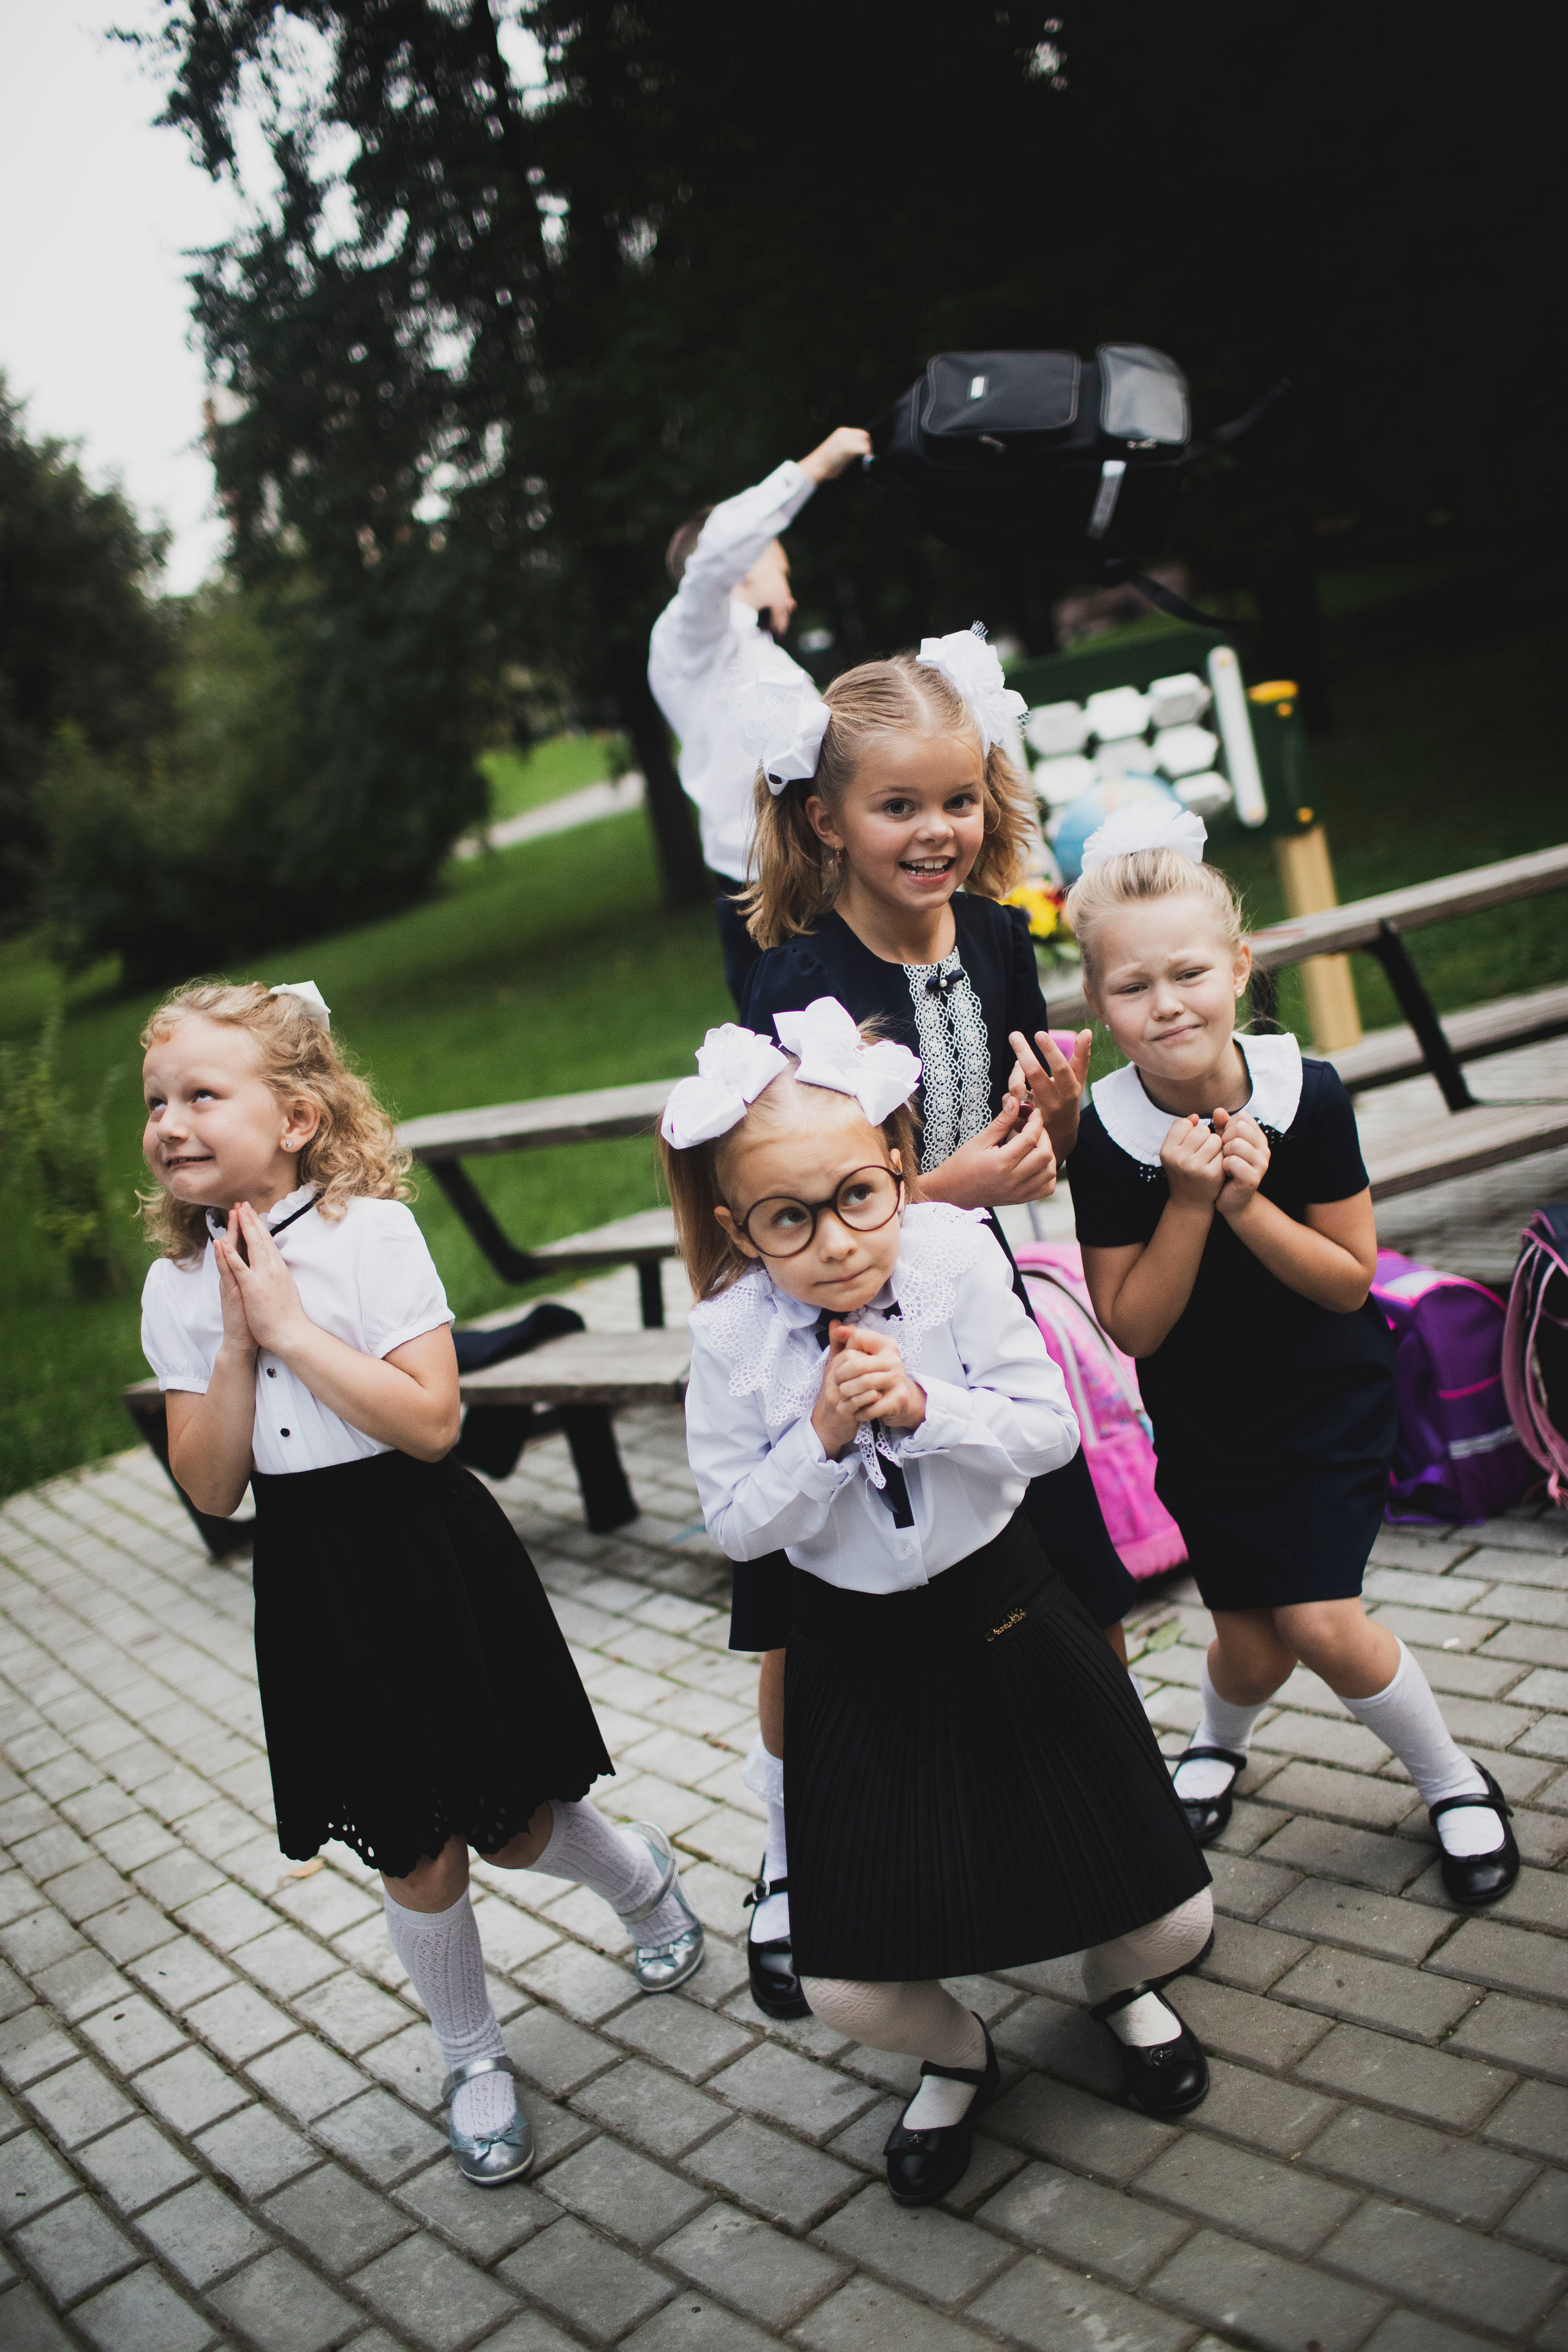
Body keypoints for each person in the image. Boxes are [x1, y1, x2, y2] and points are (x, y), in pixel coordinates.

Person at [137, 980, 705, 2191]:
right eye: (156, 1102)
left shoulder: (366, 1237)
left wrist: (289, 1328)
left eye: (201, 1096)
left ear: (295, 1116)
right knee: (412, 1842)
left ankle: (634, 1874)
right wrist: (234, 1341)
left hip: (421, 1542)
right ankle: (471, 2054)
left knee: (505, 1821)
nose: (169, 1123)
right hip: (310, 1572)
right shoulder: (176, 1291)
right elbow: (211, 1486)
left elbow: (434, 1421)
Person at [660, 1001, 1214, 2206]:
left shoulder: (954, 1257)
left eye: (856, 1195)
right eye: (786, 1218)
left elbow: (1046, 1428)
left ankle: (1115, 1984)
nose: (834, 1240)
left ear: (898, 1169)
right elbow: (738, 1526)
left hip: (1008, 1607)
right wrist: (817, 1437)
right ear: (736, 1228)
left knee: (1174, 1922)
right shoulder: (729, 1337)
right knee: (845, 1986)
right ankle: (961, 2056)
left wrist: (923, 1408)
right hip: (856, 1651)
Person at [732, 631, 1140, 2018]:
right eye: (899, 805)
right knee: (802, 1611)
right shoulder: (796, 978)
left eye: (957, 800)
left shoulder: (991, 932)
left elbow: (1024, 1126)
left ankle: (1097, 1799)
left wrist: (1055, 1123)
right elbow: (798, 1178)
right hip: (837, 1315)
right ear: (825, 819)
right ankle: (793, 1861)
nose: (936, 831)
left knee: (1062, 1557)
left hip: (969, 1306)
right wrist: (944, 1184)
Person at [1062, 805, 1520, 1909]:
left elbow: (1349, 1278)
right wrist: (1183, 1201)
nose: (1166, 1005)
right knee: (1254, 1650)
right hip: (1208, 1419)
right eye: (1133, 988)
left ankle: (1457, 1782)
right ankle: (1218, 1742)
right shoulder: (1105, 1136)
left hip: (1325, 1399)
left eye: (1188, 974)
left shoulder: (1305, 1091)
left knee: (1318, 1622)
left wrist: (1246, 1203)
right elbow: (1133, 1327)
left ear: (1238, 966)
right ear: (1098, 1005)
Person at [647, 425, 871, 1009]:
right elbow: (718, 550)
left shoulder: (764, 655)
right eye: (782, 571)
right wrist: (818, 464)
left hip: (826, 876)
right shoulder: (692, 641)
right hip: (764, 895)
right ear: (745, 569)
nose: (790, 593)